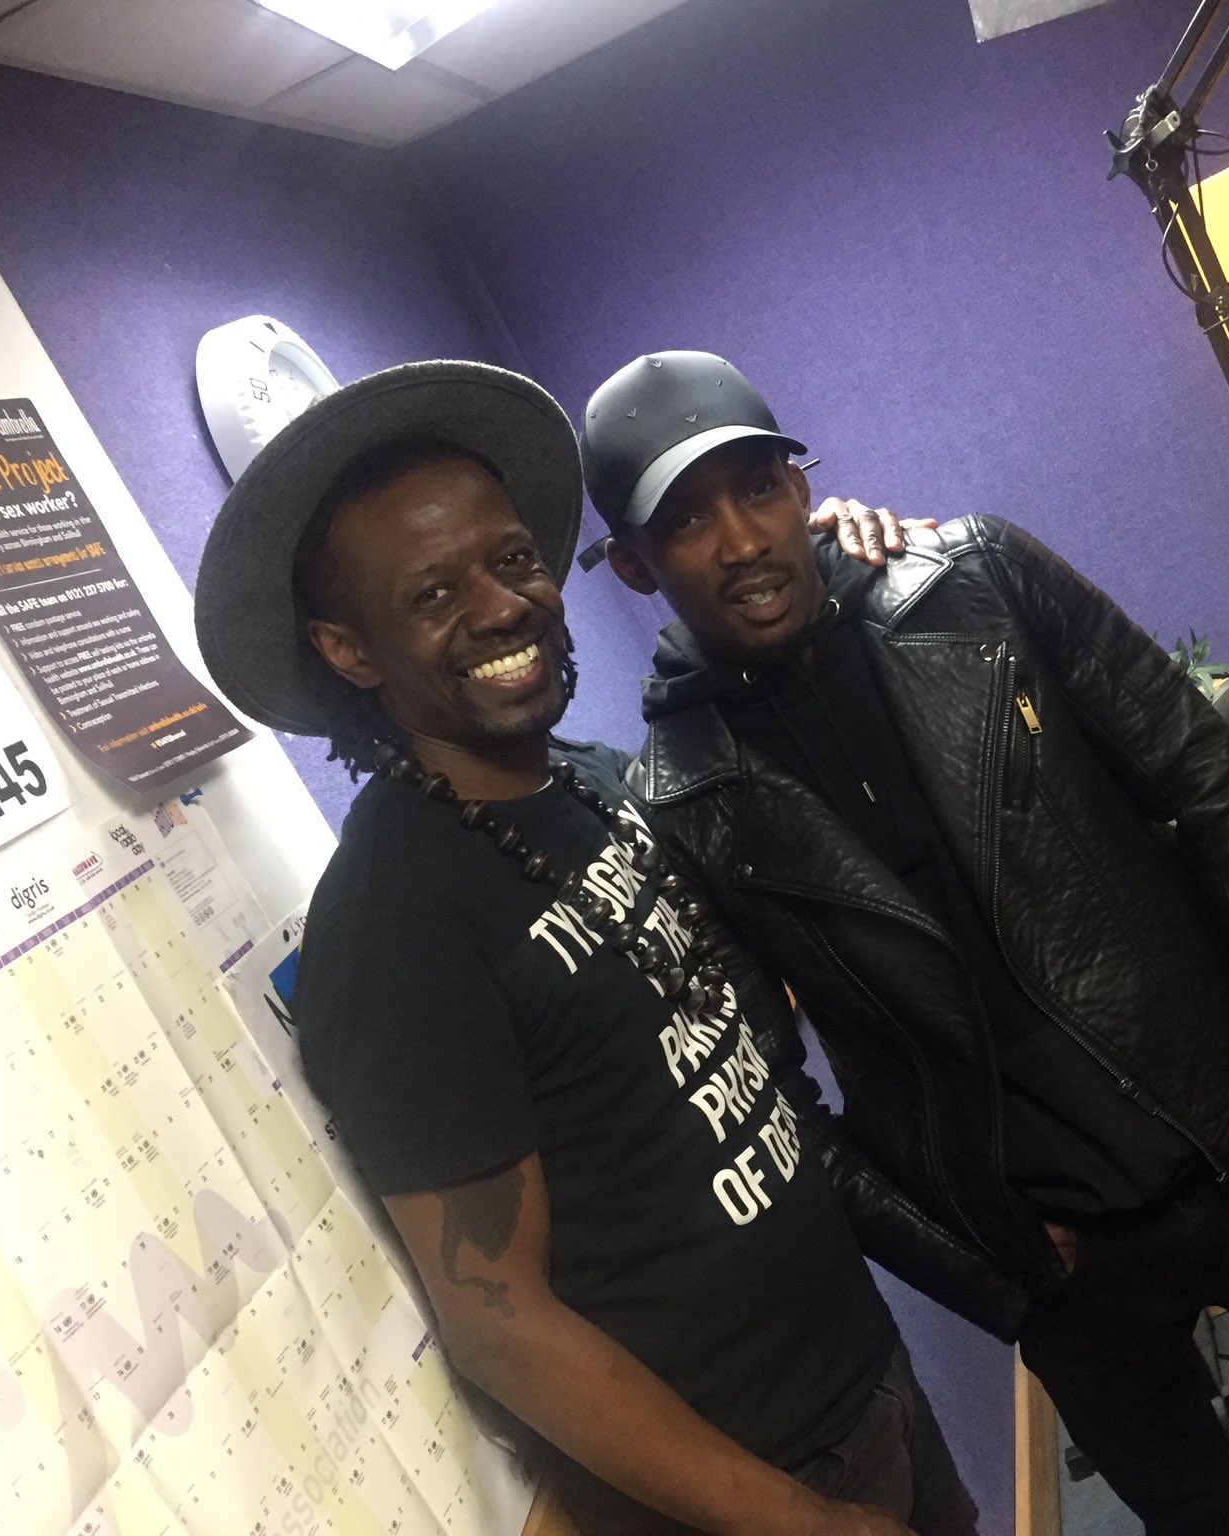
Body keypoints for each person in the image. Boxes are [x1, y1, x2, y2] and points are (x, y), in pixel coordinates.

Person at [582, 350, 1229, 1536]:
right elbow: (775, 1103)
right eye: (686, 521)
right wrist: (981, 1270)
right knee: (1194, 1521)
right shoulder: (682, 802)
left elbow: (1205, 780)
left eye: (755, 489)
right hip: (1058, 1261)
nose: (740, 541)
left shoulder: (975, 581)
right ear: (635, 565)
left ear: (799, 486)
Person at [192, 360, 977, 1536]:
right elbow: (496, 1323)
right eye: (433, 593)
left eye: (511, 560)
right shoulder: (394, 926)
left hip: (865, 1385)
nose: (502, 605)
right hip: (754, 1490)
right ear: (350, 650)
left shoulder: (596, 781)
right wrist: (796, 1522)